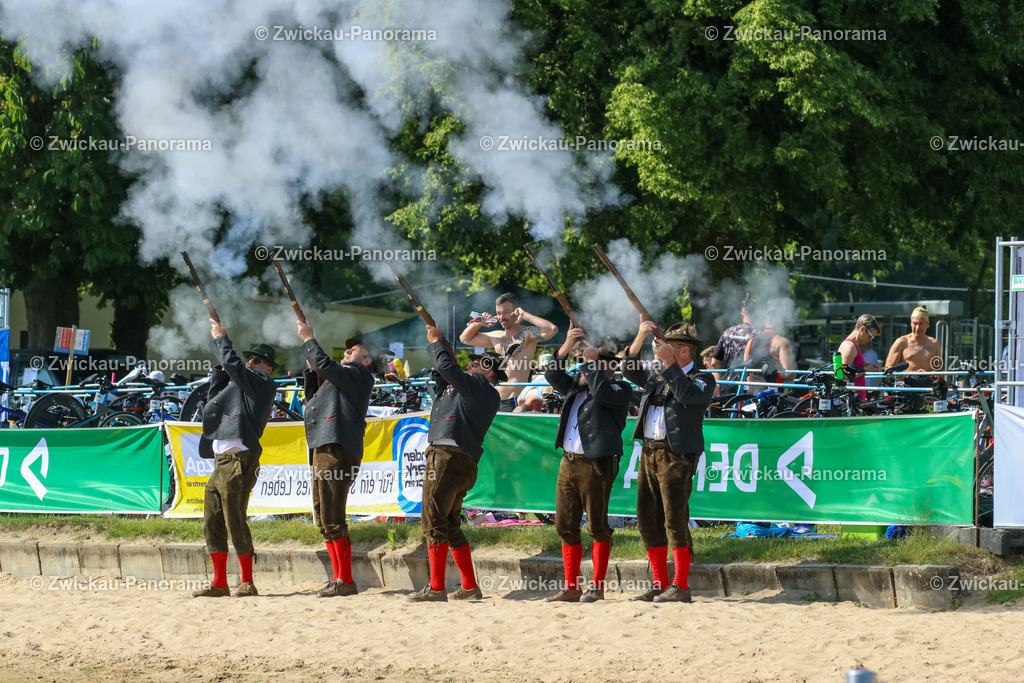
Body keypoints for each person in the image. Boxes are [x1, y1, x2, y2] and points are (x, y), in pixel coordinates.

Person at [622, 320, 715, 603]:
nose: (659, 353)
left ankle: (681, 586)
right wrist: (639, 336)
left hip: (677, 455)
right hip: (649, 452)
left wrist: (668, 365)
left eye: (667, 348)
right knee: (647, 519)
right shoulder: (661, 375)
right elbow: (629, 370)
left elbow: (687, 395)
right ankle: (659, 584)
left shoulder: (702, 378)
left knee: (675, 519)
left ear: (683, 351)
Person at [408, 325, 503, 602]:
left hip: (447, 458)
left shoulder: (479, 386)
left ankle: (436, 588)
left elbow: (449, 370)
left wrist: (438, 344)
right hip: (459, 460)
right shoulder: (469, 389)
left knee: (433, 522)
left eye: (478, 363)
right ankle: (470, 585)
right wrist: (444, 347)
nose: (472, 365)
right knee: (449, 525)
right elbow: (445, 375)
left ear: (489, 372)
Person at [544, 327, 632, 603]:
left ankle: (597, 585)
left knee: (597, 526)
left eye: (591, 363)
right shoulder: (577, 386)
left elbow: (604, 394)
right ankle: (571, 586)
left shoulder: (619, 388)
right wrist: (568, 343)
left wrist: (592, 365)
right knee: (565, 526)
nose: (583, 367)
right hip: (568, 462)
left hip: (596, 464)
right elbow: (551, 373)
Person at [192, 322, 277, 598]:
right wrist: (221, 364)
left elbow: (236, 367)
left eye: (257, 360)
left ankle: (247, 581)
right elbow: (213, 399)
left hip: (240, 459)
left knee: (235, 520)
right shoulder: (243, 382)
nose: (251, 361)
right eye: (250, 357)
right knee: (212, 521)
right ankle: (219, 582)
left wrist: (220, 342)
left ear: (268, 368)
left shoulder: (262, 383)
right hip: (221, 462)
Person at [298, 322, 382, 598]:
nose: (347, 350)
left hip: (336, 448)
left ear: (366, 360)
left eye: (354, 348)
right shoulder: (343, 377)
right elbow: (313, 401)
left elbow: (328, 367)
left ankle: (345, 580)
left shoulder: (358, 374)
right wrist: (312, 371)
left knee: (333, 517)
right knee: (324, 518)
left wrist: (310, 340)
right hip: (324, 446)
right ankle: (339, 577)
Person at [459, 293, 558, 408]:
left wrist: (525, 315)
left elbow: (552, 329)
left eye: (506, 312)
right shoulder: (496, 336)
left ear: (516, 311)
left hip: (514, 400)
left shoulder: (528, 334)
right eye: (498, 313)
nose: (501, 317)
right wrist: (479, 323)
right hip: (493, 399)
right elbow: (464, 339)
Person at [711, 297, 757, 396]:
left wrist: (719, 384)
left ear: (742, 315)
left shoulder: (727, 332)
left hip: (726, 385)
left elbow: (714, 362)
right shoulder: (759, 335)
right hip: (747, 388)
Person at [742, 307, 796, 388]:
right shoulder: (782, 342)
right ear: (781, 323)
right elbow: (790, 373)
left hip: (751, 393)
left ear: (764, 322)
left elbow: (745, 368)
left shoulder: (751, 341)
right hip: (771, 395)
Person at [885, 306, 942, 372]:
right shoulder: (901, 342)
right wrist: (912, 375)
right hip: (906, 382)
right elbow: (888, 369)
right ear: (911, 324)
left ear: (927, 325)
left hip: (927, 382)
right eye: (915, 324)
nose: (917, 328)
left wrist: (927, 374)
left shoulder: (934, 343)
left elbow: (939, 371)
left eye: (920, 324)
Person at [839, 314, 882, 400]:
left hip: (855, 398)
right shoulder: (849, 346)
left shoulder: (853, 346)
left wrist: (866, 366)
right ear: (862, 329)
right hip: (851, 400)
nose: (870, 340)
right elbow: (845, 375)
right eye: (870, 336)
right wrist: (866, 370)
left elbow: (853, 367)